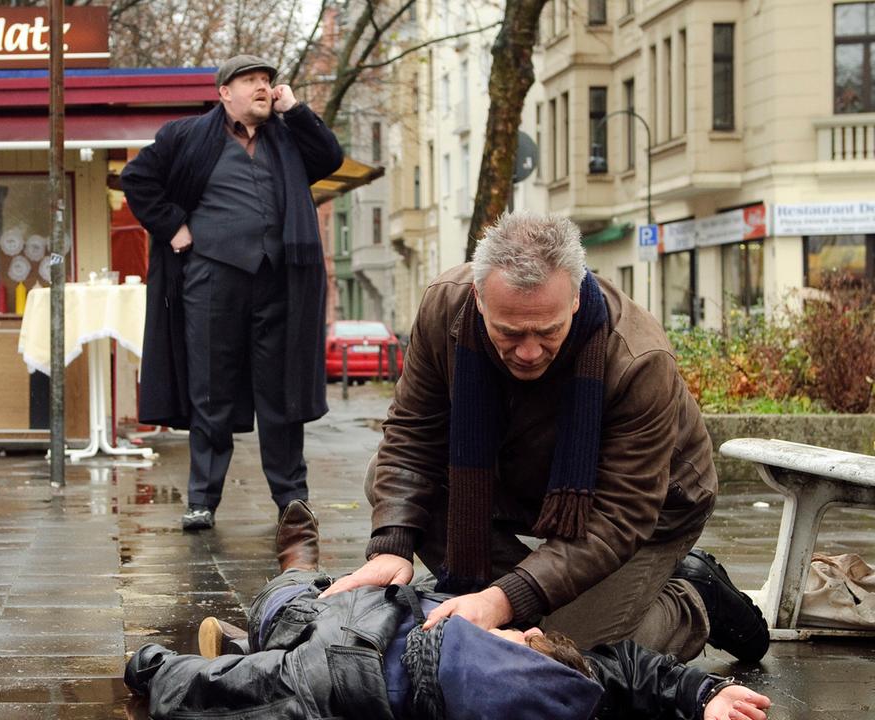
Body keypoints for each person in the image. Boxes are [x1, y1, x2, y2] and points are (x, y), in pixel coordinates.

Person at [322, 211, 770, 664]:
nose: (529, 352)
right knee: (384, 476)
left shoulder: (638, 359)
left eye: (548, 331)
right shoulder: (444, 307)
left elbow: (620, 516)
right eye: (510, 333)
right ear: (478, 298)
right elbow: (413, 433)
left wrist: (499, 602)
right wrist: (391, 545)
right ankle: (515, 594)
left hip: (645, 511)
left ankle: (693, 597)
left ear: (575, 299)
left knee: (556, 653)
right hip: (522, 483)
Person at [121, 55, 344, 538]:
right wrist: (172, 227)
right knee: (209, 389)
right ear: (224, 92)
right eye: (251, 82)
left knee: (281, 392)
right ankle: (202, 500)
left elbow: (330, 158)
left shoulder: (286, 136)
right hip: (211, 280)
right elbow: (137, 179)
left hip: (277, 279)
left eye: (266, 80)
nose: (263, 88)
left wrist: (297, 108)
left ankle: (291, 498)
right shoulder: (187, 135)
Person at [124, 565, 773, 720]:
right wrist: (706, 693)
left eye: (521, 636)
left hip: (333, 626)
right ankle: (250, 638)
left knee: (290, 598)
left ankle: (690, 583)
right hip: (356, 624)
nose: (520, 631)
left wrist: (153, 668)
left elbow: (207, 691)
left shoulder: (344, 670)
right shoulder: (558, 692)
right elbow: (618, 671)